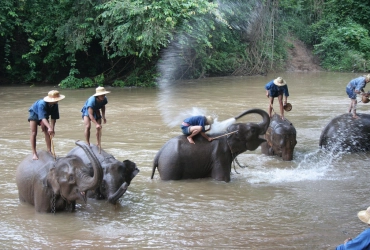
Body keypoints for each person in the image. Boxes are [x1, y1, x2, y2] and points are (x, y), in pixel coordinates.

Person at [28, 90, 65, 160]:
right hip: (34, 114)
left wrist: (52, 128)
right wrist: (49, 127)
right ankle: (34, 153)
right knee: (34, 132)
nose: (57, 101)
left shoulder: (55, 105)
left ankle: (49, 150)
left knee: (48, 132)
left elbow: (54, 118)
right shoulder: (42, 104)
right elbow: (43, 118)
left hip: (44, 115)